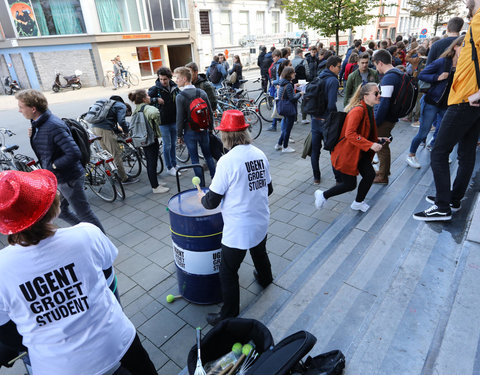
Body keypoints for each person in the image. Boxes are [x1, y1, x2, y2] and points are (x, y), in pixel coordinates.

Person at [0, 169, 157, 375]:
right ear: (52, 206)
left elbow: (8, 332)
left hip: (57, 366)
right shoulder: (87, 234)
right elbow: (109, 282)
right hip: (116, 343)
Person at [200, 110, 273, 326]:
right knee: (259, 252)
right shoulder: (260, 153)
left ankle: (228, 314)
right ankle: (266, 278)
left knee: (228, 270)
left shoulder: (226, 161)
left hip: (239, 228)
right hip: (260, 219)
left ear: (225, 135)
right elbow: (268, 189)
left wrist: (203, 199)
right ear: (245, 131)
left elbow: (211, 202)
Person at [413, 0, 480, 221]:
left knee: (439, 152)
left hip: (465, 101)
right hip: (469, 102)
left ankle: (443, 206)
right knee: (466, 153)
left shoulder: (479, 20)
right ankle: (453, 198)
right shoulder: (475, 21)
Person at [16, 89, 104, 232]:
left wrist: (53, 166)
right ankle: (84, 232)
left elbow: (73, 153)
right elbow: (47, 148)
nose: (19, 111)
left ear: (33, 109)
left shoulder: (53, 126)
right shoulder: (38, 124)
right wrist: (33, 135)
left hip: (69, 178)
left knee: (85, 213)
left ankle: (101, 241)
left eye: (21, 107)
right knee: (61, 211)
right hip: (59, 177)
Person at [314, 83, 385, 212]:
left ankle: (358, 203)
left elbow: (364, 132)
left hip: (359, 152)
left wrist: (379, 140)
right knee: (349, 184)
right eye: (376, 93)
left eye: (379, 92)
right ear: (365, 96)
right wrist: (370, 145)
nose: (379, 95)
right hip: (347, 154)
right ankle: (323, 195)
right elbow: (350, 134)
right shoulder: (358, 110)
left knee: (369, 175)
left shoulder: (369, 109)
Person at [406, 36, 464, 169]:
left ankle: (436, 150)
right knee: (423, 132)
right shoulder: (443, 62)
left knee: (443, 131)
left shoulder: (463, 65)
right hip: (432, 101)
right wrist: (437, 77)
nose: (466, 49)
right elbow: (422, 75)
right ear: (455, 47)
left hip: (447, 104)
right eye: (463, 46)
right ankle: (411, 154)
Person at [174, 67, 216, 187]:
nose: (176, 81)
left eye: (177, 78)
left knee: (194, 159)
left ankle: (201, 185)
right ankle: (215, 179)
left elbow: (179, 118)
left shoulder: (180, 96)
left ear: (184, 78)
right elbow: (209, 111)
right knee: (208, 156)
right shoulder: (201, 92)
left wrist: (179, 135)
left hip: (189, 131)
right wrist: (211, 127)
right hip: (203, 130)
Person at [371, 49, 405, 184]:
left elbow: (384, 102)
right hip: (391, 116)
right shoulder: (398, 73)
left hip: (385, 118)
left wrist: (376, 121)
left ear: (380, 63)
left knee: (381, 146)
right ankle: (384, 171)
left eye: (375, 64)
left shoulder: (389, 77)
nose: (375, 68)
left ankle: (383, 176)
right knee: (383, 145)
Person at [128, 89, 170, 194]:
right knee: (152, 163)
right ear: (144, 98)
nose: (149, 97)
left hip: (143, 138)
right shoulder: (147, 108)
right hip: (150, 139)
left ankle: (155, 182)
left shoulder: (137, 108)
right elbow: (155, 113)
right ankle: (155, 187)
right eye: (147, 95)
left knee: (151, 161)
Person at [90, 95, 138, 185]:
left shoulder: (108, 106)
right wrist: (126, 131)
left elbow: (113, 123)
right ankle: (124, 178)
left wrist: (117, 131)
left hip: (95, 129)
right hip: (105, 130)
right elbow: (121, 121)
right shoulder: (121, 106)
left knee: (107, 154)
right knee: (116, 154)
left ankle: (113, 175)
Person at [310, 56, 342, 184]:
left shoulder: (319, 77)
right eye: (339, 66)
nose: (340, 69)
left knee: (315, 151)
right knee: (333, 150)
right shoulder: (333, 81)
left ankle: (316, 178)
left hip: (315, 119)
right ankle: (338, 179)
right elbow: (331, 104)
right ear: (331, 67)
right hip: (327, 121)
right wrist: (335, 118)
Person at [148, 67, 181, 177]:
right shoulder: (154, 89)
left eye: (165, 79)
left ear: (169, 78)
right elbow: (146, 100)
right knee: (167, 145)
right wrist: (155, 100)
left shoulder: (174, 87)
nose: (163, 81)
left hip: (174, 120)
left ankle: (174, 164)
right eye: (161, 79)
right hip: (162, 122)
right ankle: (169, 167)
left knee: (173, 144)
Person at [274, 67, 301, 153]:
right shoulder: (288, 85)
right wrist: (300, 94)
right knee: (287, 129)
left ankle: (278, 144)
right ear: (289, 74)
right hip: (289, 109)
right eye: (293, 73)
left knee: (285, 128)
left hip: (284, 108)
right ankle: (285, 147)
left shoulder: (283, 83)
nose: (295, 74)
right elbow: (292, 98)